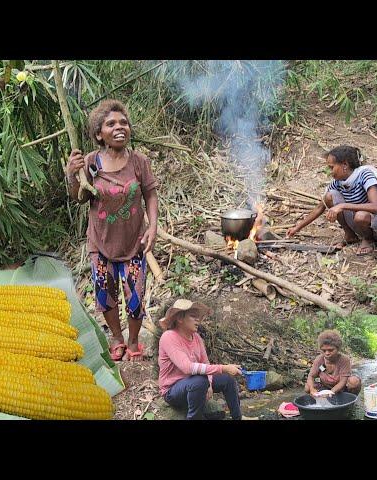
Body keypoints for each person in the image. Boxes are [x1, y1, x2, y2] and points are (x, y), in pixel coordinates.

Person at [66, 99, 159, 362]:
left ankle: (133, 341)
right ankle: (117, 338)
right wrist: (72, 175)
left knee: (136, 295)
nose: (120, 127)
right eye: (111, 124)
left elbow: (150, 195)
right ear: (99, 134)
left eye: (123, 122)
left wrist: (153, 226)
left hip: (133, 241)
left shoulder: (140, 162)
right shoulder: (90, 162)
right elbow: (80, 197)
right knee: (104, 292)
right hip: (101, 242)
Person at [287, 145, 377, 255]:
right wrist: (297, 228)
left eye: (331, 167)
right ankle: (350, 235)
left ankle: (368, 240)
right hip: (361, 223)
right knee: (329, 196)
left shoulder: (365, 175)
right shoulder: (338, 183)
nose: (329, 172)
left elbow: (376, 207)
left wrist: (342, 206)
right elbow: (320, 207)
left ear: (345, 165)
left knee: (360, 216)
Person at [158, 299, 243, 420]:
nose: (198, 320)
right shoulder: (169, 337)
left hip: (196, 383)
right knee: (200, 381)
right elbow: (187, 367)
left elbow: (205, 363)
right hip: (172, 391)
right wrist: (223, 367)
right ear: (180, 319)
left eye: (198, 317)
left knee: (227, 379)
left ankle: (237, 417)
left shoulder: (196, 338)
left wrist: (209, 383)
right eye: (193, 316)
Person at [305, 329, 361, 396]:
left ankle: (351, 399)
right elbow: (311, 376)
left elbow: (343, 381)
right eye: (324, 350)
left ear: (338, 349)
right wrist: (312, 389)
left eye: (330, 350)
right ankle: (317, 398)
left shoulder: (344, 360)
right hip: (323, 385)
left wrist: (331, 392)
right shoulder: (319, 359)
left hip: (341, 388)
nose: (327, 353)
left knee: (354, 382)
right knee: (307, 387)